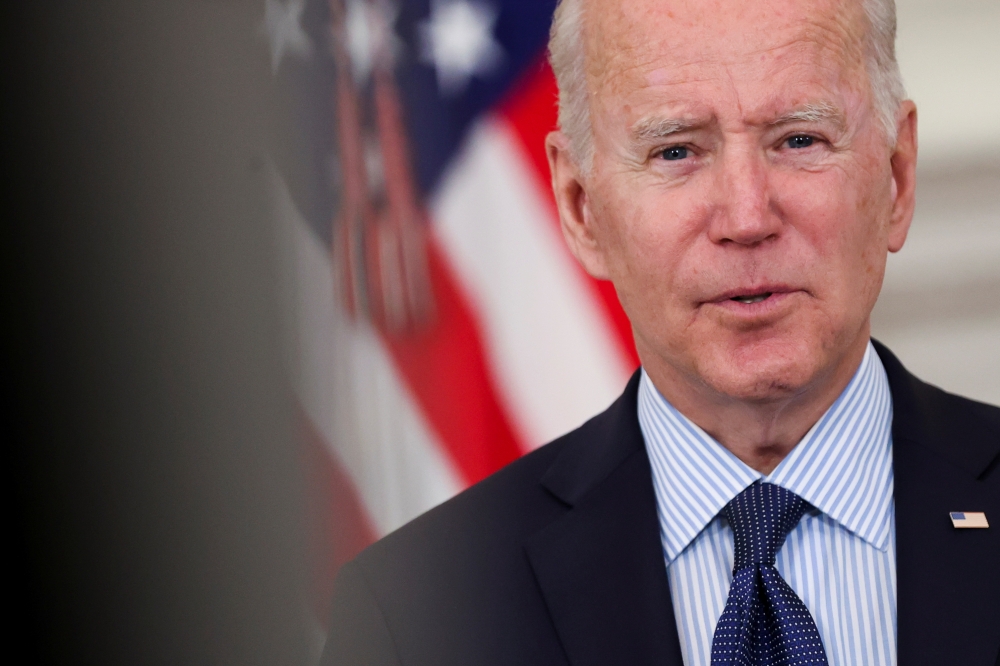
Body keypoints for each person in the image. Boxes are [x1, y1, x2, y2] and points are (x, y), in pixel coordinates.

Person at [321, 0, 1000, 664]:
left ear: (898, 177)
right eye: (676, 151)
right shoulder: (414, 618)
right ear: (581, 210)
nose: (746, 216)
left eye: (799, 139)